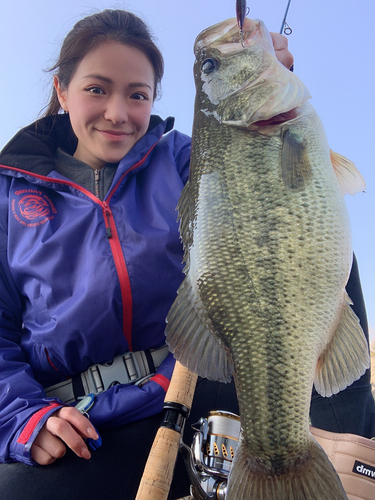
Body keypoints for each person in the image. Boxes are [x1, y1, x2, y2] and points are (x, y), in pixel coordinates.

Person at [0, 8, 373, 500]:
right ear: (61, 89)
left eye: (138, 95)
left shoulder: (183, 158)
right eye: (96, 89)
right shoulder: (9, 199)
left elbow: (264, 191)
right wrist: (22, 420)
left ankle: (346, 452)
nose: (117, 112)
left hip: (191, 385)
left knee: (313, 257)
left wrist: (269, 75)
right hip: (84, 423)